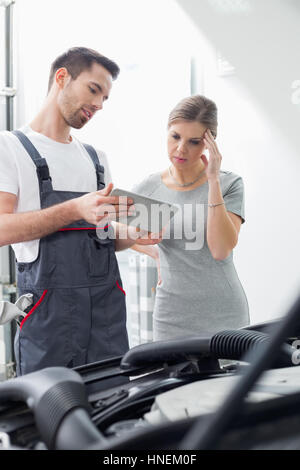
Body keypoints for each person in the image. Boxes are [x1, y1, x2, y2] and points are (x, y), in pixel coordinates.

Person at [0, 47, 160, 376]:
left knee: (114, 413)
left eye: (105, 98)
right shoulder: (10, 148)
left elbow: (101, 237)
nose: (99, 105)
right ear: (62, 78)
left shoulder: (96, 158)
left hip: (106, 321)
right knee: (48, 419)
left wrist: (133, 235)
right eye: (93, 90)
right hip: (48, 326)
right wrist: (75, 208)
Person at [131, 95, 249, 341]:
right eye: (175, 136)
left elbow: (220, 249)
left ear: (209, 143)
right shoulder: (149, 186)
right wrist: (155, 253)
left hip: (224, 315)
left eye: (194, 142)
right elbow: (120, 232)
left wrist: (213, 181)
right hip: (170, 317)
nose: (181, 149)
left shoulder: (229, 183)